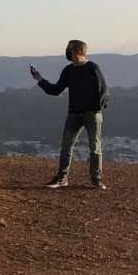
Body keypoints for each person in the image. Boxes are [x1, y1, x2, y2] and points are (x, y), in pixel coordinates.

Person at [29, 40, 109, 189]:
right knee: (66, 146)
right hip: (74, 114)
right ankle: (62, 178)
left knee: (95, 147)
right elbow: (56, 90)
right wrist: (40, 79)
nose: (67, 53)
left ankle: (96, 180)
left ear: (79, 51)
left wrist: (95, 108)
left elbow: (103, 91)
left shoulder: (93, 68)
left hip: (92, 114)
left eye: (70, 50)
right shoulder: (68, 71)